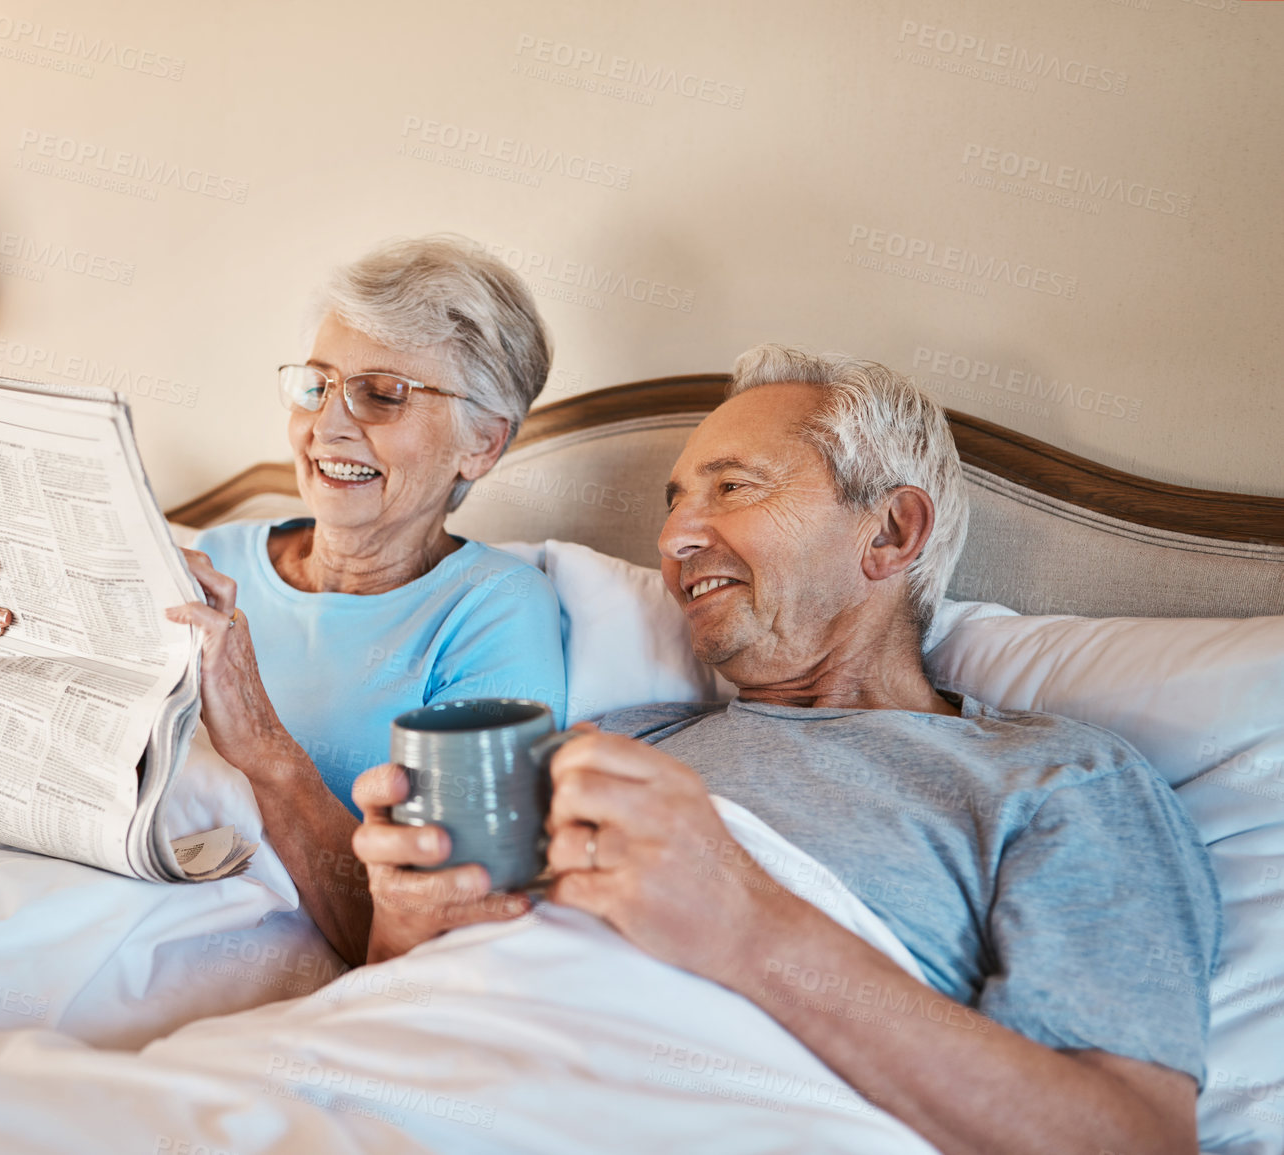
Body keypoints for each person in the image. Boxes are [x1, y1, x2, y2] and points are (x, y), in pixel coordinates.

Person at [353, 344, 1218, 1155]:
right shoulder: (617, 747)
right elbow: (415, 1007)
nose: (673, 539)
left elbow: (1132, 1136)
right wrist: (402, 927)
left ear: (889, 533)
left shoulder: (1054, 779)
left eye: (731, 489)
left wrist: (746, 924)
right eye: (674, 504)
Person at [0, 236, 566, 965]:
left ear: (482, 442)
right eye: (317, 386)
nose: (327, 426)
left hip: (215, 955)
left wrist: (260, 744)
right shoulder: (209, 560)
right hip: (43, 899)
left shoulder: (497, 611)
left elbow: (439, 941)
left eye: (383, 394)